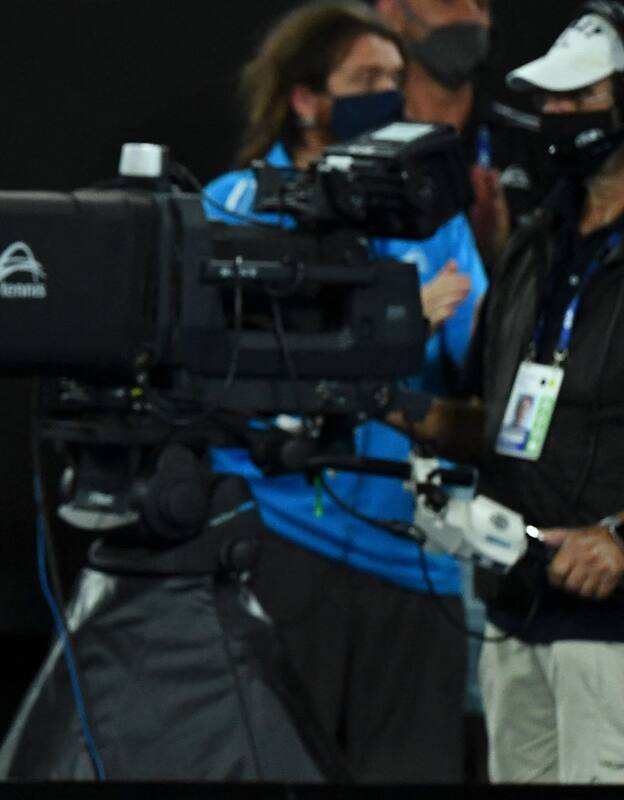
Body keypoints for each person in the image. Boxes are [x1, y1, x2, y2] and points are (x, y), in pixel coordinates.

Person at [201, 1, 486, 782]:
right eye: (367, 79)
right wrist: (400, 324)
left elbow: (482, 368)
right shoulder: (237, 203)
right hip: (287, 543)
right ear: (306, 98)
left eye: (398, 78)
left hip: (416, 565)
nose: (389, 95)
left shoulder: (436, 223)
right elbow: (216, 364)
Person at [410, 2, 624, 784]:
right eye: (552, 100)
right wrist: (404, 414)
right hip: (513, 619)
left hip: (611, 641)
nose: (557, 115)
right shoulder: (535, 243)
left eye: (581, 99)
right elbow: (489, 420)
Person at [374, 0, 511, 280]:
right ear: (391, 12)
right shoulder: (362, 143)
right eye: (448, 1)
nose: (471, 16)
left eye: (481, 5)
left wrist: (498, 252)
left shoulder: (528, 144)